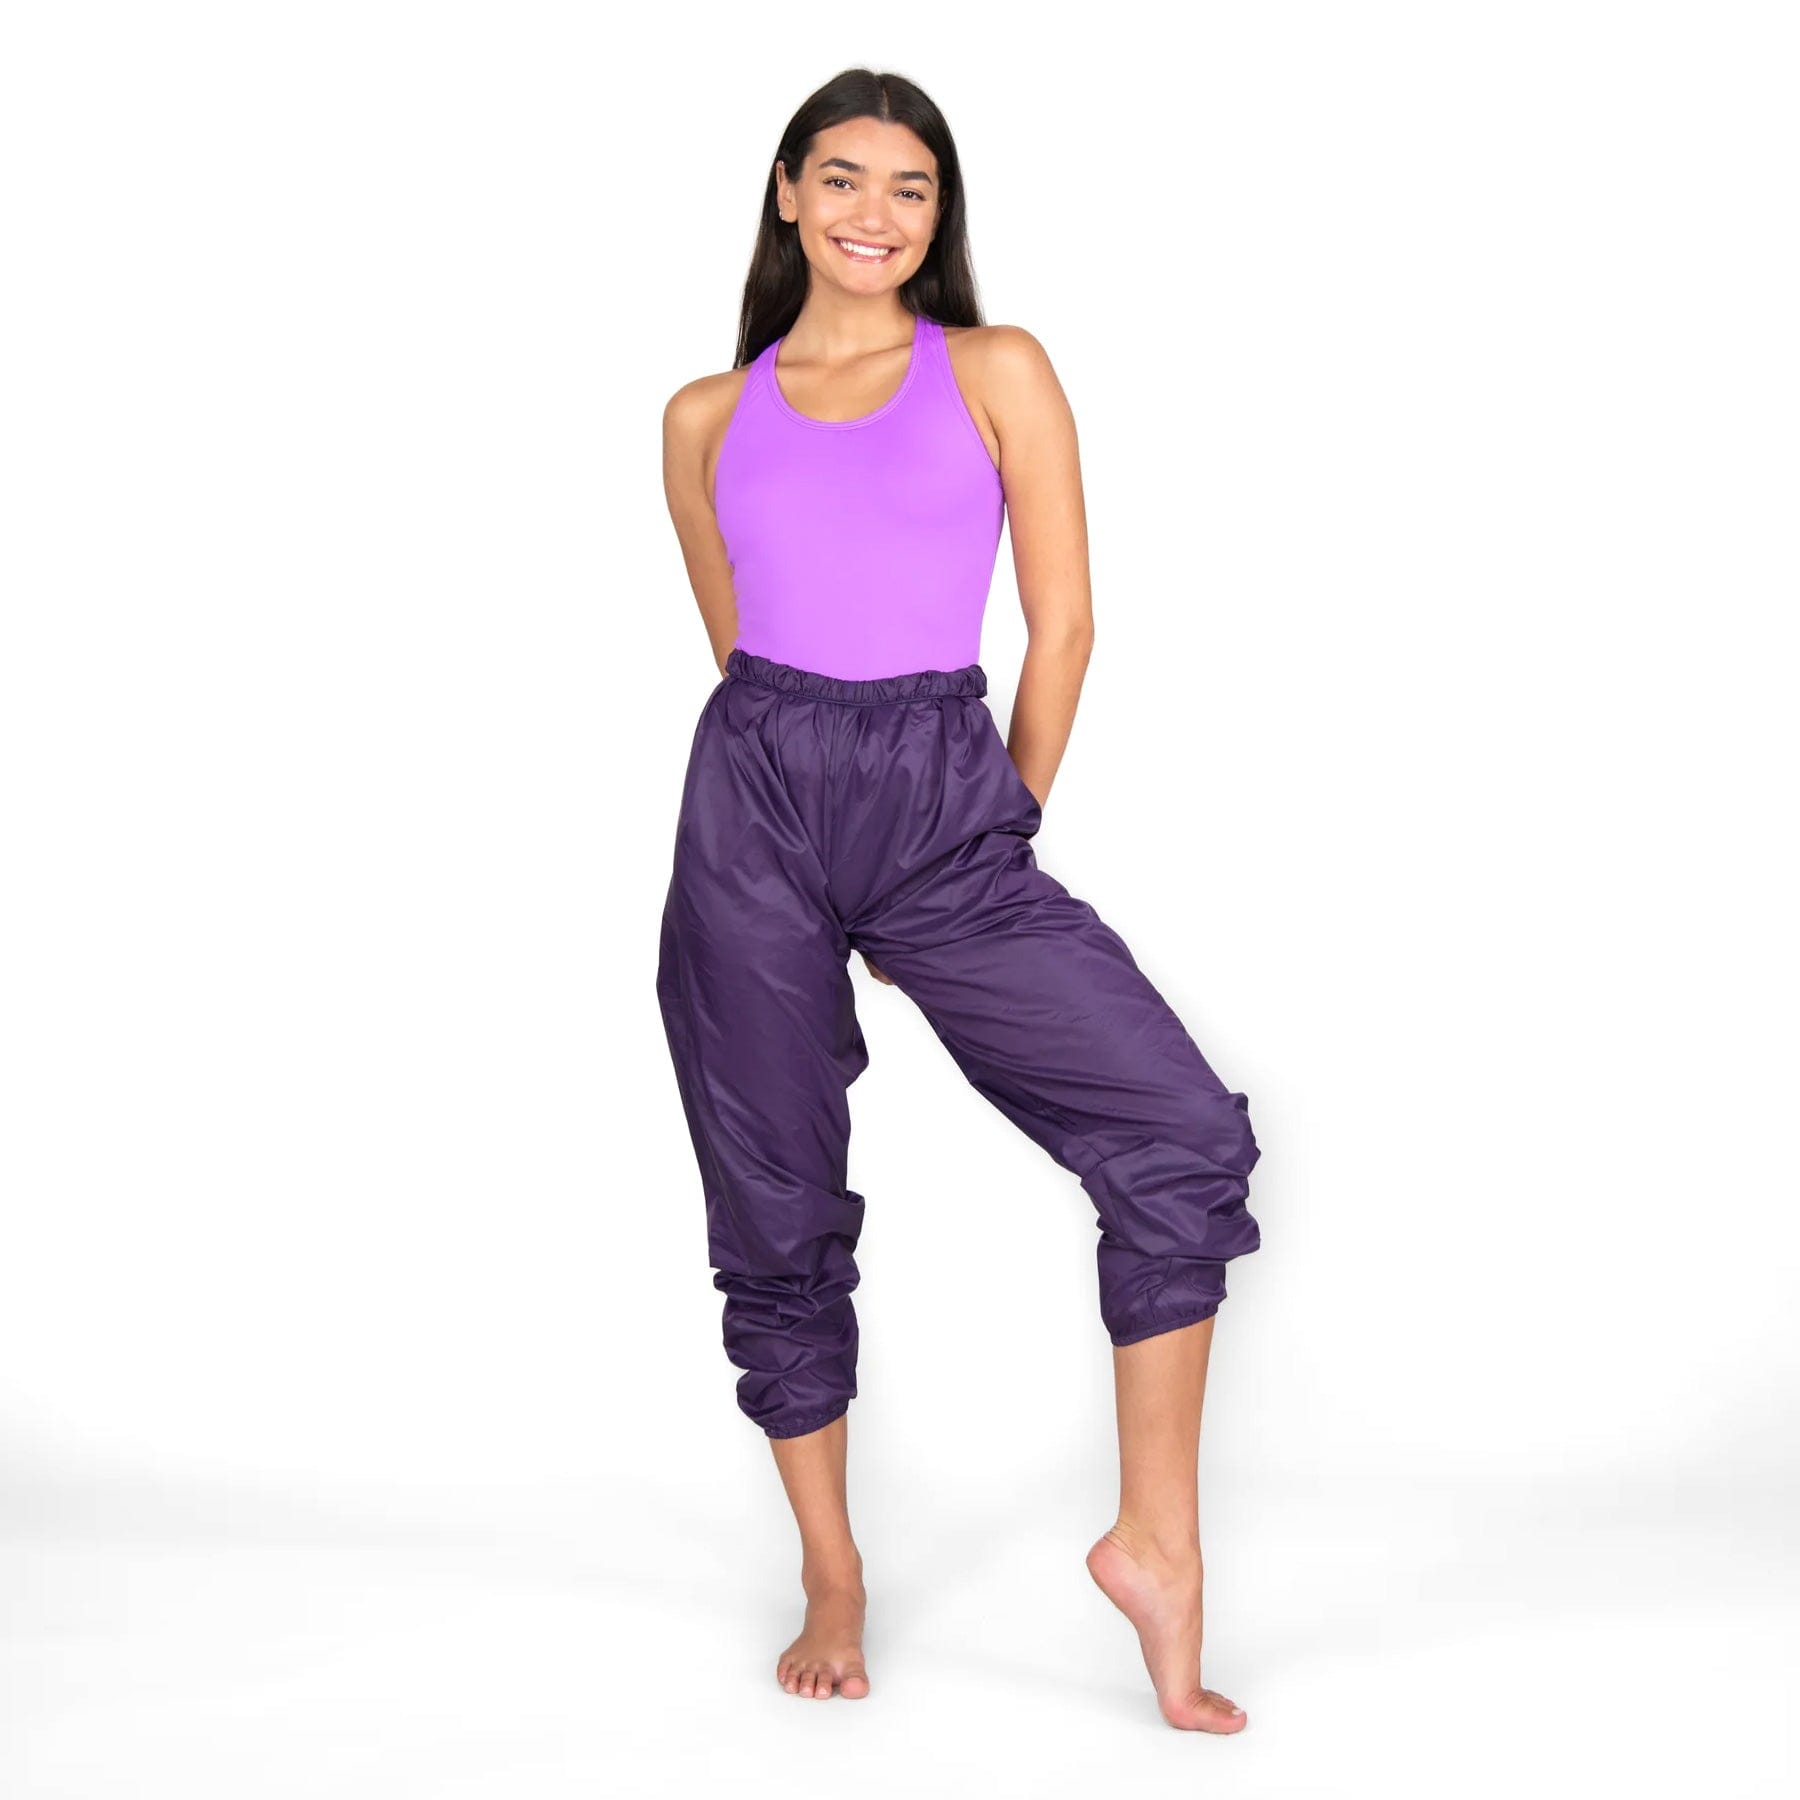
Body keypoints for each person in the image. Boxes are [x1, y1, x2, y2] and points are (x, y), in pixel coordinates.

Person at [655, 68, 1263, 1733]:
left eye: (910, 188)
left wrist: (991, 827)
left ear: (941, 215)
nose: (875, 213)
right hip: (755, 806)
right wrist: (812, 810)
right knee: (772, 1199)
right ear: (789, 194)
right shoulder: (704, 415)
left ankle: (1156, 1545)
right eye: (844, 179)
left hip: (943, 794)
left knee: (1178, 1135)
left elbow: (1064, 629)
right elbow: (739, 640)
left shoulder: (996, 370)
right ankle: (832, 1573)